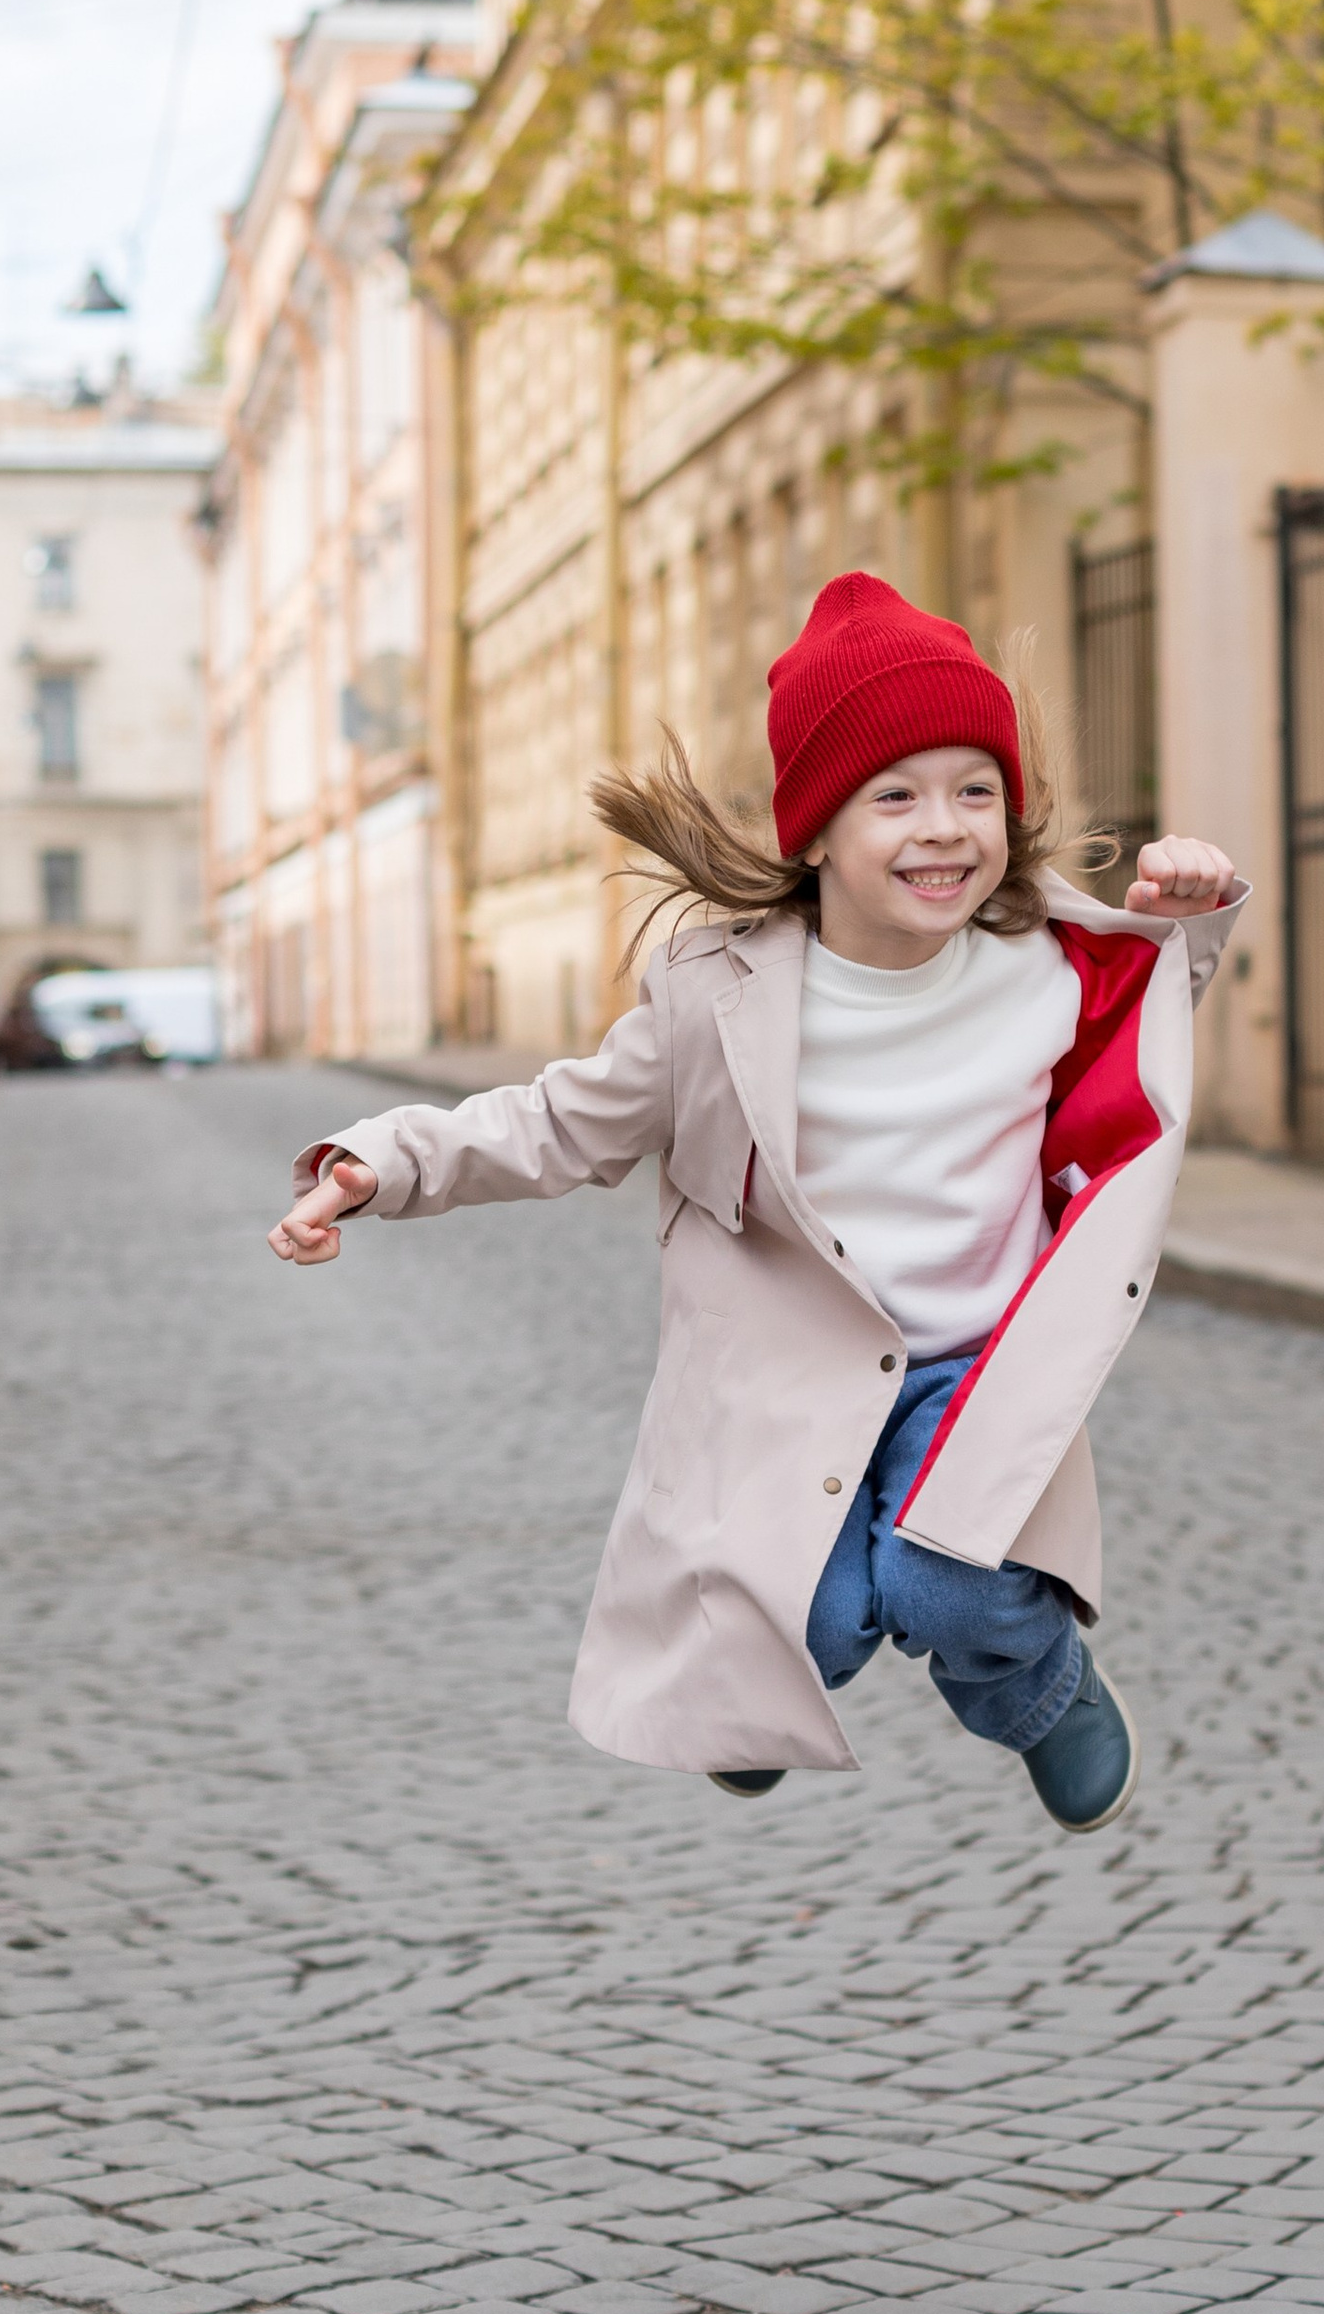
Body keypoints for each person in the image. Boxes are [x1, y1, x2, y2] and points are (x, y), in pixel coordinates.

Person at [268, 574, 1245, 1831]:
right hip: (802, 1367)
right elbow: (557, 1121)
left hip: (981, 1363)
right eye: (894, 796)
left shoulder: (1047, 965)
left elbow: (1147, 1032)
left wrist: (1185, 912)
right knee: (812, 1621)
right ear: (817, 831)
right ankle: (748, 1686)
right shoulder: (712, 1000)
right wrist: (378, 1163)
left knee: (960, 1596)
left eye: (974, 791)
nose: (943, 827)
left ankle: (1044, 1695)